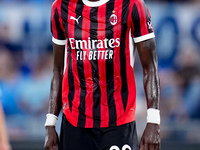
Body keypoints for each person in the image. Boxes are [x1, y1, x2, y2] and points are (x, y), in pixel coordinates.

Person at [44, 0, 160, 150]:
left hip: (118, 123)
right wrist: (50, 123)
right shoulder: (60, 7)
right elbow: (58, 69)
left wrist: (153, 121)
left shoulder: (131, 5)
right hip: (75, 124)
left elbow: (150, 67)